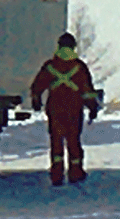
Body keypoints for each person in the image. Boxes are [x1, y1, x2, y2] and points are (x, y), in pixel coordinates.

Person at [30, 32, 99, 186]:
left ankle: (57, 174)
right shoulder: (79, 67)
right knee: (73, 141)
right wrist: (93, 107)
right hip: (74, 110)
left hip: (55, 110)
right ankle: (75, 172)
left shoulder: (50, 66)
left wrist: (36, 101)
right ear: (73, 47)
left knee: (56, 142)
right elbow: (87, 91)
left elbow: (37, 86)